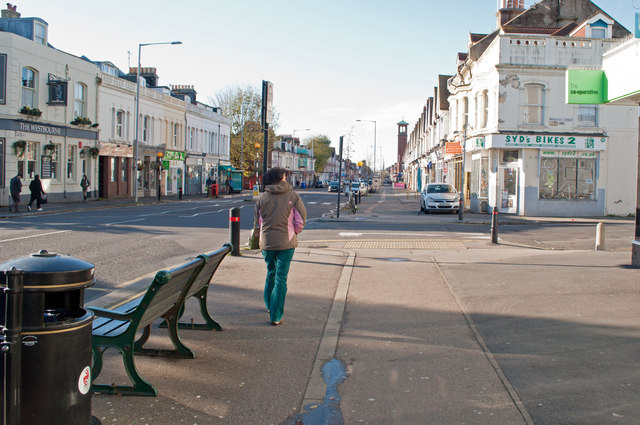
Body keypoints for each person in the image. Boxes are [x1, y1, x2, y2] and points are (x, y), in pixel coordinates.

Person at [254, 167, 307, 325]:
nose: (286, 179)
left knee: (271, 272)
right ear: (279, 179)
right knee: (281, 278)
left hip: (267, 242)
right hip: (286, 242)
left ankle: (269, 304)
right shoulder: (293, 196)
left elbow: (259, 220)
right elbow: (300, 220)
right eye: (284, 177)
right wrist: (295, 232)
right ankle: (276, 316)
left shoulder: (262, 198)